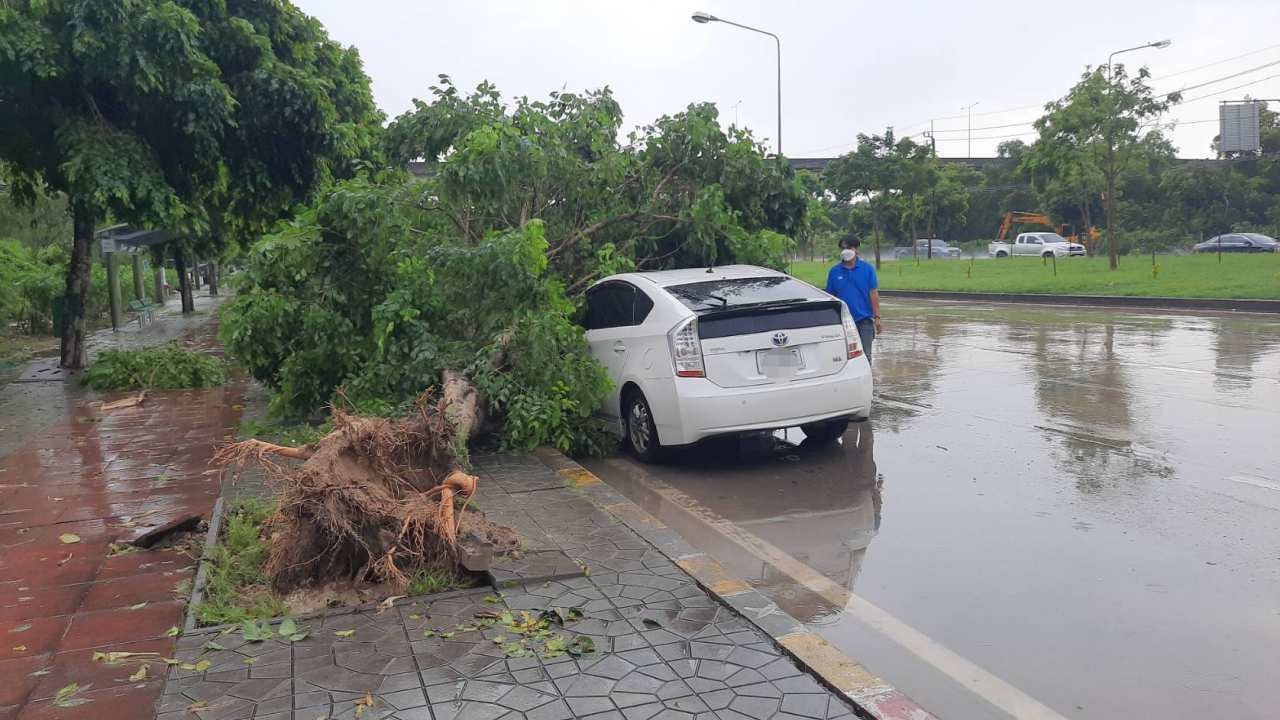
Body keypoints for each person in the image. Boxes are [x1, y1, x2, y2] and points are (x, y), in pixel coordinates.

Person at [825, 236, 881, 362]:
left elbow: (873, 294)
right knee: (845, 356)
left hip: (864, 320)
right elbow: (831, 297)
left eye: (849, 247)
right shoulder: (834, 272)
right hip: (843, 321)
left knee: (866, 355)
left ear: (856, 249)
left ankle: (867, 380)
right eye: (843, 248)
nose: (845, 251)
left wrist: (877, 317)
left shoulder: (867, 269)